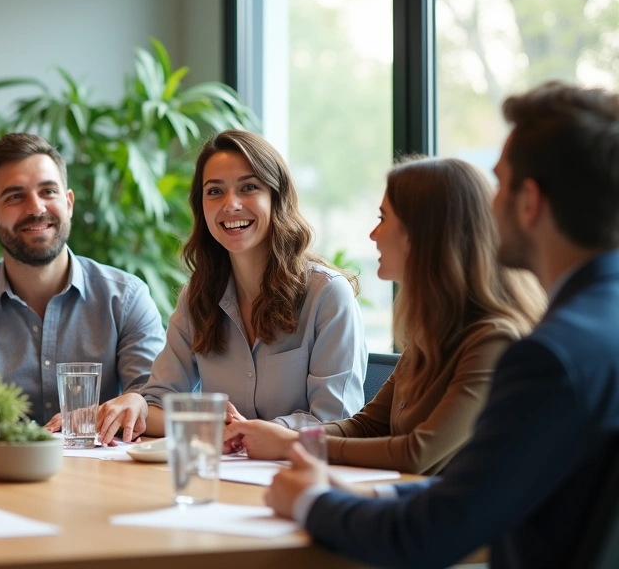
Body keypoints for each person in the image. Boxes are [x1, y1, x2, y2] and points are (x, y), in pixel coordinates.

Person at [266, 82, 619, 569]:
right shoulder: (597, 331)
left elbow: (434, 531)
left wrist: (309, 501)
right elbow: (472, 496)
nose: (487, 208)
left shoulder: (549, 356)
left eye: (500, 184)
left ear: (530, 201)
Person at [225, 157, 544, 474]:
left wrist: (294, 444)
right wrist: (287, 436)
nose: (373, 234)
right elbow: (367, 426)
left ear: (422, 234)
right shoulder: (431, 333)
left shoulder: (494, 339)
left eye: (383, 218)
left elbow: (417, 453)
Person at [101, 130, 367, 446]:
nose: (231, 204)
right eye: (215, 191)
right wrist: (139, 403)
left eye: (249, 187)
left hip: (302, 480)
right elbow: (158, 405)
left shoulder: (327, 296)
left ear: (276, 197)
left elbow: (336, 421)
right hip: (222, 478)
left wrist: (248, 431)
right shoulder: (197, 298)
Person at [0, 133, 164, 436]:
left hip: (104, 475)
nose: (36, 208)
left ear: (69, 203)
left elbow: (154, 394)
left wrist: (131, 404)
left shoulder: (126, 297)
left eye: (48, 191)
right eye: (15, 196)